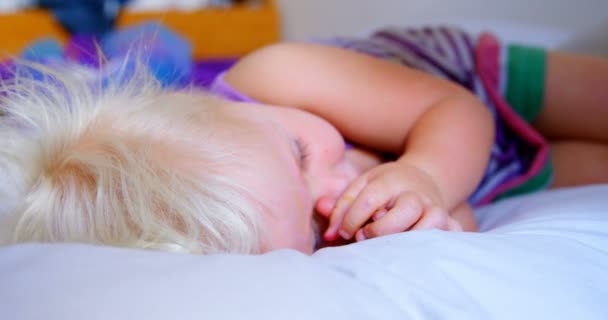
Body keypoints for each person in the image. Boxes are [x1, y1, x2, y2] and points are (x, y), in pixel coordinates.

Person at [1, 26, 606, 255]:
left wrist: (425, 178)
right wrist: (434, 218)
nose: (336, 189)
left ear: (224, 106)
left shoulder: (276, 75)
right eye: (313, 229)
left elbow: (459, 112)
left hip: (464, 88)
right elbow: (459, 216)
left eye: (300, 153)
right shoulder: (317, 231)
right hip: (496, 175)